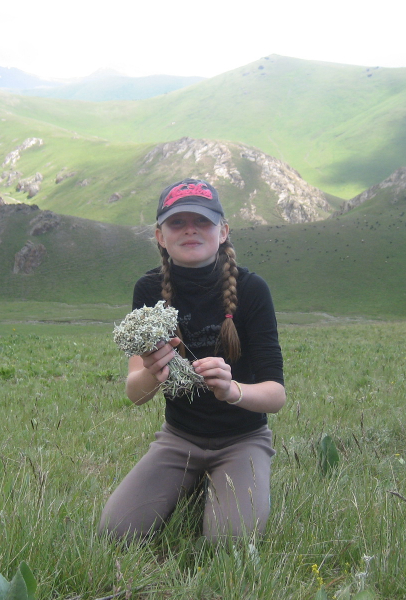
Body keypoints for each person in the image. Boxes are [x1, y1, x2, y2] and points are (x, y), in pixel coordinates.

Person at [99, 178, 286, 543]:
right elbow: (136, 393)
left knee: (228, 542)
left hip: (243, 438)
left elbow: (275, 395)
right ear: (160, 236)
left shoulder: (252, 289)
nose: (190, 230)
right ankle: (194, 480)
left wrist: (232, 391)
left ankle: (220, 483)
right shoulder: (149, 290)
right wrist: (154, 369)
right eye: (177, 222)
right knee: (116, 532)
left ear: (223, 231)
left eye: (202, 220)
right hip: (178, 438)